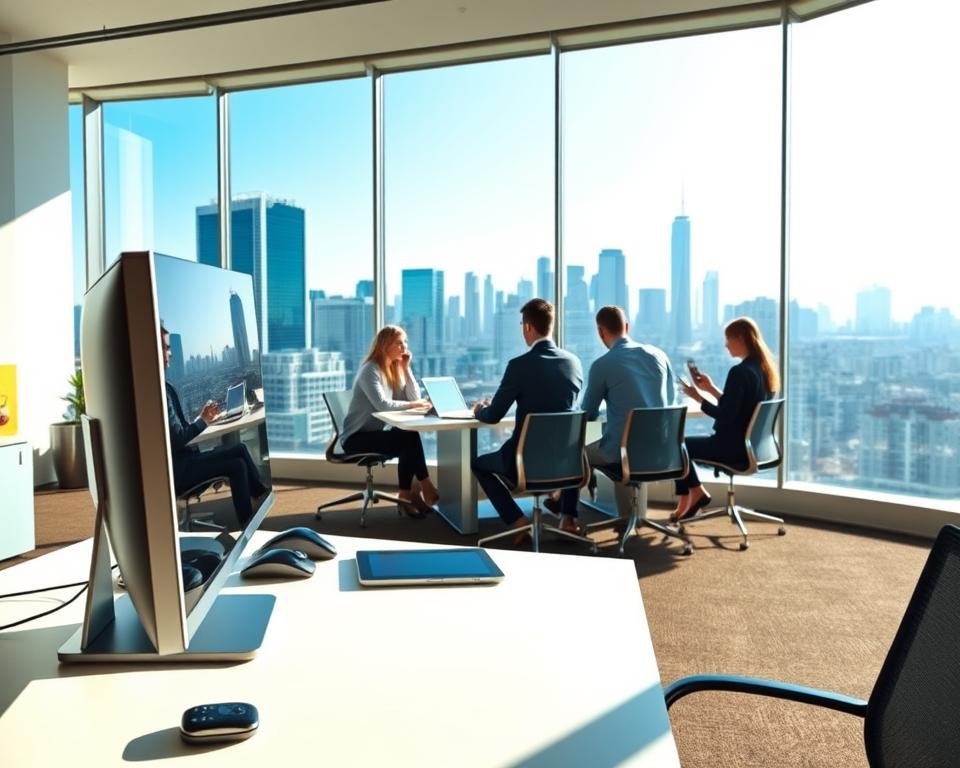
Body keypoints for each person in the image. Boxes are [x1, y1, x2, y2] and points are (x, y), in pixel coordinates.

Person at [471, 298, 583, 543]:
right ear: (550, 326)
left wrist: (478, 410)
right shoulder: (574, 363)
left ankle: (518, 521)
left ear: (528, 327)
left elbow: (494, 416)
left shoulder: (519, 366)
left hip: (523, 463)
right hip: (565, 462)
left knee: (478, 465)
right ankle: (567, 515)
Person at [672, 316, 780, 522]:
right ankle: (691, 498)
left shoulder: (739, 372)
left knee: (677, 445)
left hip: (731, 448)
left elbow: (726, 415)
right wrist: (710, 388)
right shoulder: (763, 371)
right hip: (751, 447)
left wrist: (698, 398)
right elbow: (739, 409)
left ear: (740, 338)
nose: (725, 344)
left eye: (728, 338)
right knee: (683, 444)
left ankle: (695, 494)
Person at [162, 327, 269, 529]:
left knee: (240, 449)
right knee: (236, 464)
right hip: (180, 470)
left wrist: (204, 418)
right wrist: (202, 421)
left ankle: (259, 495)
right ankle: (248, 526)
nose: (170, 353)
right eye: (166, 347)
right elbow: (177, 438)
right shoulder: (160, 390)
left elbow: (178, 429)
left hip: (183, 461)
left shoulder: (164, 386)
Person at [577, 305, 677, 518]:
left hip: (622, 454)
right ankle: (630, 517)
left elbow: (587, 414)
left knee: (577, 452)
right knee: (621, 441)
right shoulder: (659, 355)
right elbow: (670, 403)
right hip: (661, 451)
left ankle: (566, 513)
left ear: (600, 332)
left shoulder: (602, 365)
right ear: (627, 327)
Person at [340, 325, 439, 518]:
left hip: (373, 435)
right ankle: (417, 490)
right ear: (385, 345)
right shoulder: (370, 370)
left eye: (405, 342)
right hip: (355, 439)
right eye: (399, 343)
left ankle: (410, 494)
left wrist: (406, 368)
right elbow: (383, 405)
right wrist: (414, 406)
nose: (404, 347)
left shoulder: (392, 369)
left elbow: (412, 396)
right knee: (408, 438)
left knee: (409, 436)